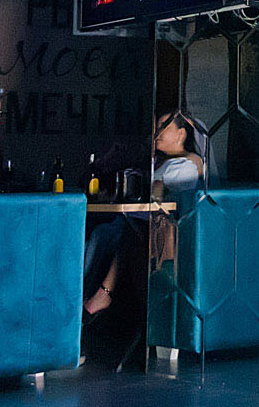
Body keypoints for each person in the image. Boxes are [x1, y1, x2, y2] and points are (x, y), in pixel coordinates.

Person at [86, 112, 208, 319]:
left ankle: (102, 296)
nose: (156, 133)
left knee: (114, 235)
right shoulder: (162, 162)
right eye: (155, 128)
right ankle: (96, 296)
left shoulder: (187, 165)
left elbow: (160, 197)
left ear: (181, 134)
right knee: (104, 231)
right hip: (141, 225)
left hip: (169, 234)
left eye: (162, 127)